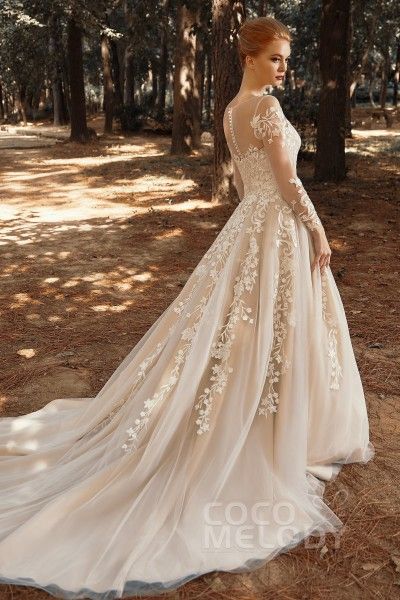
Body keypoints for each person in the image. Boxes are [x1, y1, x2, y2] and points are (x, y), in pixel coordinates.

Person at [0, 15, 374, 600]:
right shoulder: (266, 110)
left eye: (285, 58)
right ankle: (266, 432)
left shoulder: (231, 108)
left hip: (250, 228)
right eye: (276, 58)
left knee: (243, 330)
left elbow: (257, 183)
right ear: (251, 55)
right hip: (274, 227)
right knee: (259, 330)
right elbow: (288, 182)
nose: (283, 67)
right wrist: (320, 232)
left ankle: (271, 419)